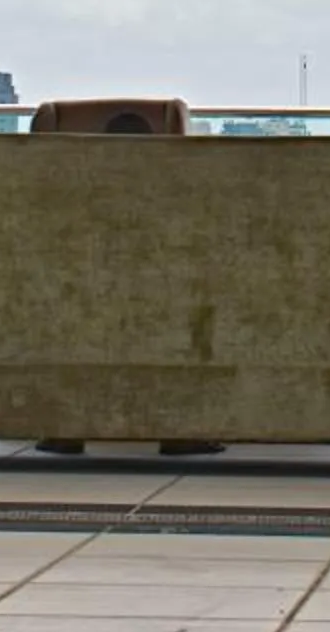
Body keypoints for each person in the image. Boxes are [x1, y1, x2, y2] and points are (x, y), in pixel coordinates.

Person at [37, 108, 225, 460]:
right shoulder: (176, 194)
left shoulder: (73, 191)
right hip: (160, 301)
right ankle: (178, 434)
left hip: (85, 298)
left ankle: (66, 432)